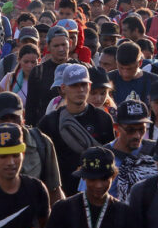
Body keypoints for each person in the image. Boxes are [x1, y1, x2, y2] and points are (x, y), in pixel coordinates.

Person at [0, 91, 62, 203]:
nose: (9, 122)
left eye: (14, 117)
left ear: (23, 116)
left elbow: (54, 190)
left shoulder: (42, 143)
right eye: (3, 118)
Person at [38, 64, 116, 197]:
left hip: (96, 193)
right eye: (74, 85)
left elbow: (110, 160)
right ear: (63, 88)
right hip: (61, 195)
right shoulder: (49, 122)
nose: (80, 90)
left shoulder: (103, 119)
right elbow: (42, 165)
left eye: (83, 85)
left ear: (89, 86)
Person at [108, 99, 158, 201]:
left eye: (141, 129)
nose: (137, 135)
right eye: (130, 130)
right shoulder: (103, 156)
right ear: (116, 127)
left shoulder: (156, 152)